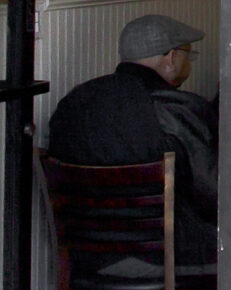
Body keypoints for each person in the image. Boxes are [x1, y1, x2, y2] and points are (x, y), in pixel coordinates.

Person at [46, 14, 219, 275]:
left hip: (88, 257)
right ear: (171, 58)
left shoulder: (75, 102)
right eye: (188, 56)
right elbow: (214, 195)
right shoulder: (179, 108)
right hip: (169, 258)